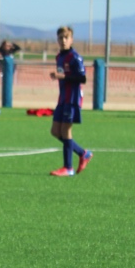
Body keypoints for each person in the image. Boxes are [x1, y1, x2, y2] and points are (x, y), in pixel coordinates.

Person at [50, 26, 92, 176]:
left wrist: (64, 77)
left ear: (71, 39)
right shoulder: (59, 57)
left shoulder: (75, 57)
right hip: (62, 98)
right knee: (55, 131)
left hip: (73, 98)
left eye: (66, 38)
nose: (63, 40)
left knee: (66, 131)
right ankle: (83, 153)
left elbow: (83, 78)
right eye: (60, 38)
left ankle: (68, 167)